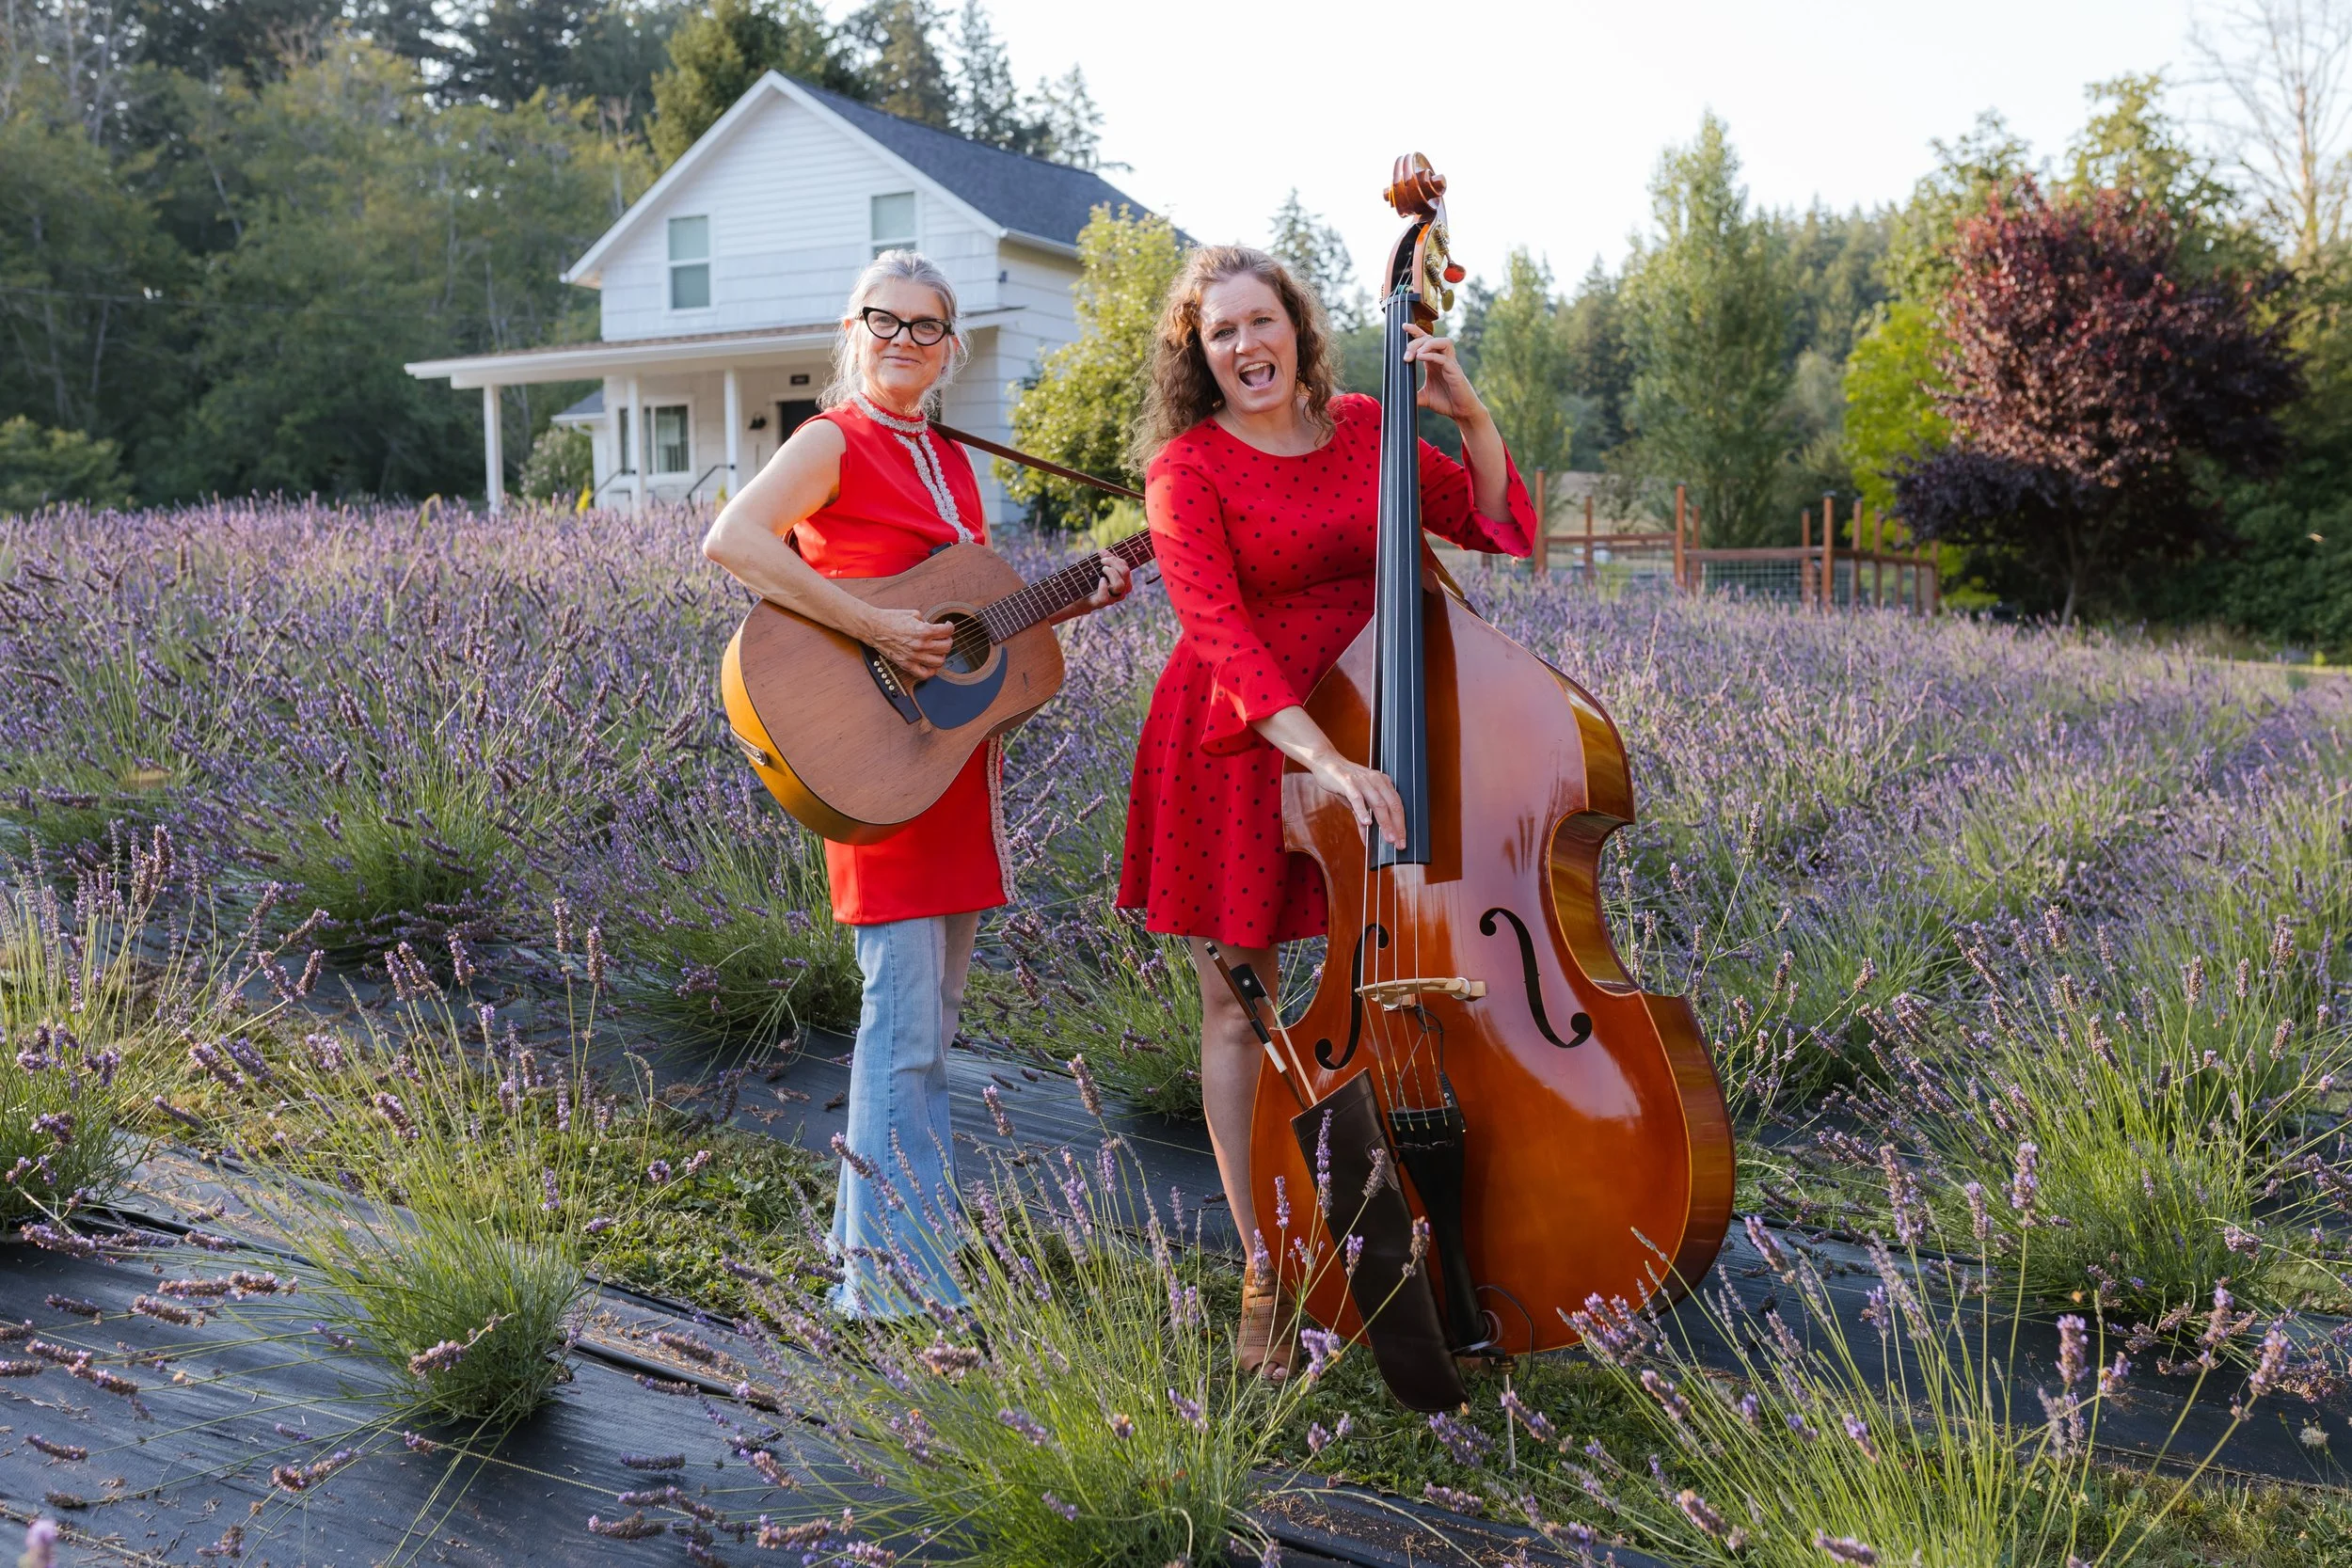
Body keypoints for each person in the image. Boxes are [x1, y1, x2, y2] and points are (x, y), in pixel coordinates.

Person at [1116, 245, 1534, 1374]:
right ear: (1197, 357)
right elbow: (1219, 631)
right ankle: (1265, 1257)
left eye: (1263, 322)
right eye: (1220, 333)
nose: (1246, 346)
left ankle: (1429, 1232)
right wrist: (1316, 755)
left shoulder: (1366, 426)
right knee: (1238, 999)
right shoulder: (1185, 468)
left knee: (1396, 976)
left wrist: (1467, 413)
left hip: (1383, 720)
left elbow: (1491, 526)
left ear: (1298, 325)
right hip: (1245, 741)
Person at [703, 250, 1131, 1317]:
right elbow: (732, 538)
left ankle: (874, 1264)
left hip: (945, 767)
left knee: (926, 1032)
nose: (903, 340)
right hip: (871, 758)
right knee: (902, 1028)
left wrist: (1073, 598)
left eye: (925, 326)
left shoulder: (950, 459)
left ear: (951, 349)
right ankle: (899, 1290)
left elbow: (965, 614)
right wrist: (874, 625)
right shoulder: (828, 439)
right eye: (883, 321)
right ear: (853, 329)